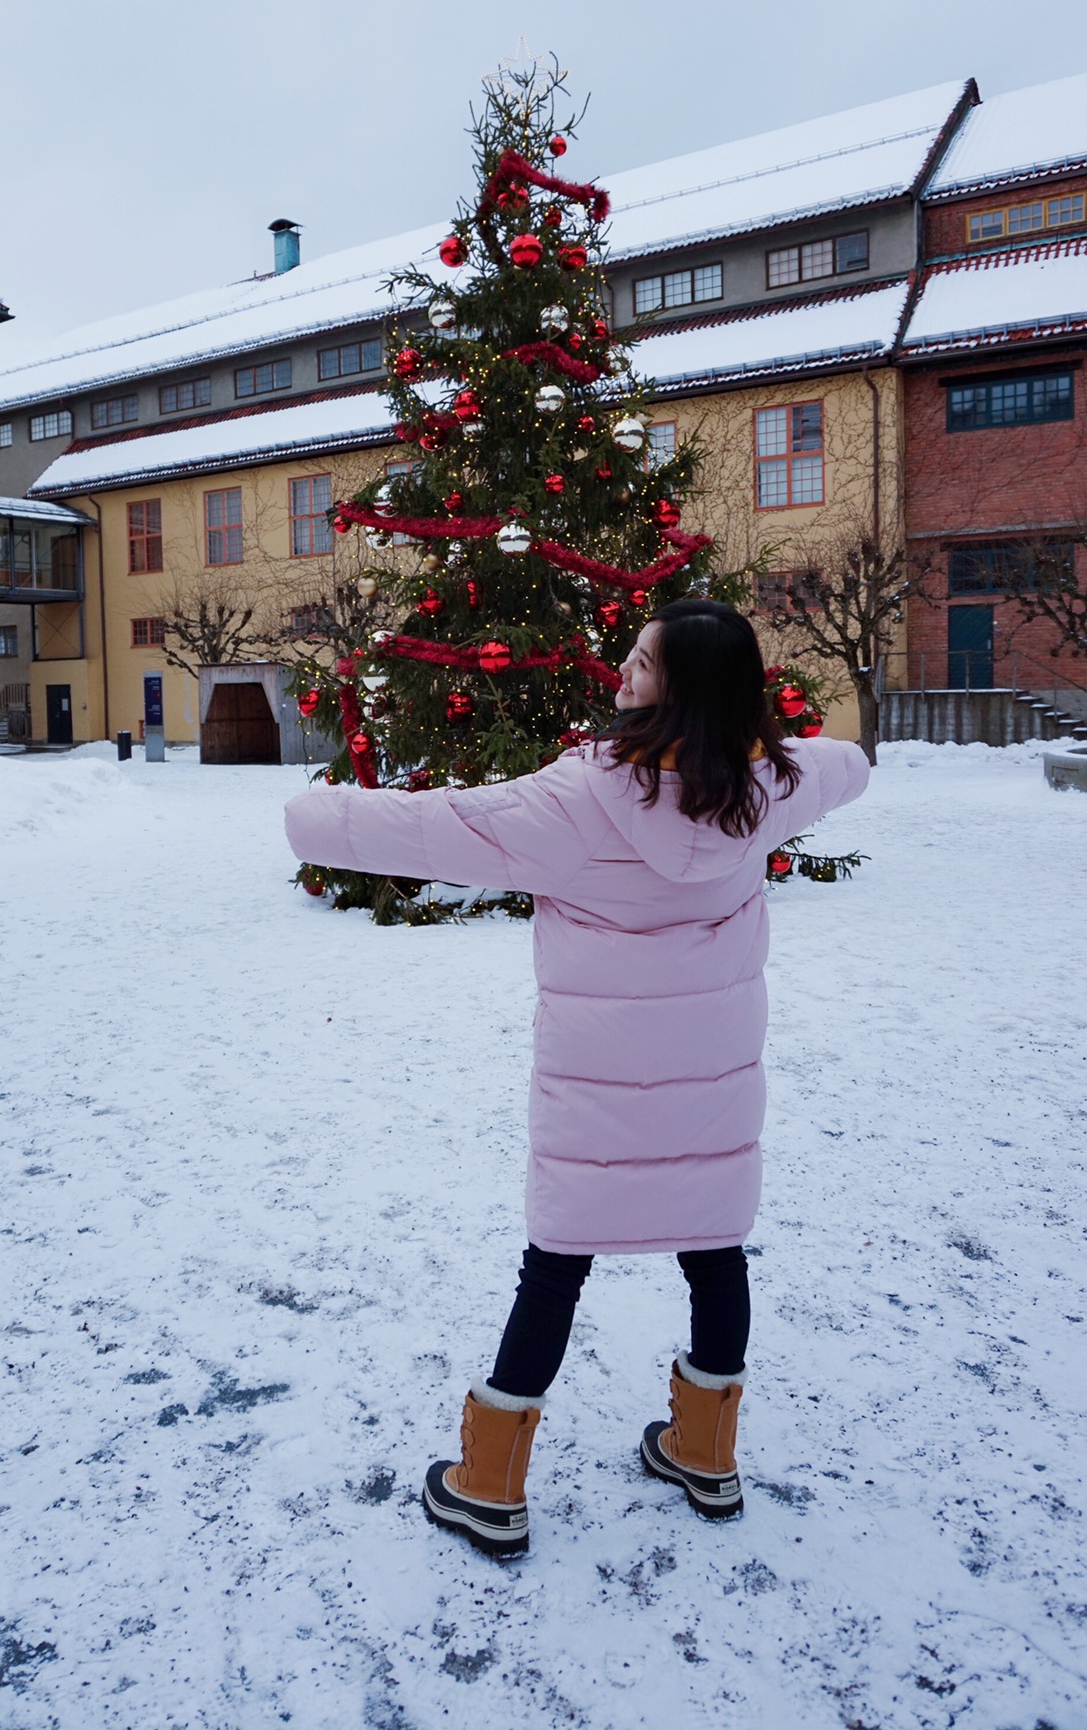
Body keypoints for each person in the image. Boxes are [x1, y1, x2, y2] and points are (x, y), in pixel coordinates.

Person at [284, 600, 869, 1556]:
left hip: (595, 1091)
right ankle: (707, 1456)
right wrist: (798, 752)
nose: (623, 675)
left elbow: (437, 829)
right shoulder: (773, 784)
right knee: (713, 1248)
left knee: (557, 1263)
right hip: (711, 1087)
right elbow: (848, 766)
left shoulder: (576, 800)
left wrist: (308, 817)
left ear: (680, 691)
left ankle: (489, 1482)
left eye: (642, 664)